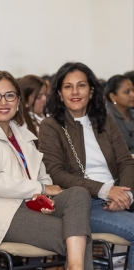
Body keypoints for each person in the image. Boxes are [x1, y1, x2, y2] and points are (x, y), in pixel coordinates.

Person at [0, 70, 93, 270]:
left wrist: (45, 196)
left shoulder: (23, 134)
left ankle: (75, 266)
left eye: (10, 95)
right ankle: (76, 266)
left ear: (18, 100)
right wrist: (41, 189)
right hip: (0, 210)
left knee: (78, 194)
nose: (3, 102)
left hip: (30, 205)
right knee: (77, 235)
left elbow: (43, 176)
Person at [38, 62, 134, 269]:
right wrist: (106, 191)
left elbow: (126, 161)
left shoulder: (105, 120)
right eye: (67, 86)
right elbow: (56, 173)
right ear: (59, 93)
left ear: (91, 91)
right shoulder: (51, 126)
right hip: (85, 204)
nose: (75, 92)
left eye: (81, 85)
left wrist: (126, 195)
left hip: (120, 196)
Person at [105, 75, 134, 153]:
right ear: (113, 97)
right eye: (127, 92)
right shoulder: (106, 117)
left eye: (133, 90)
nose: (132, 95)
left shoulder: (131, 113)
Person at [18, 75, 47, 146]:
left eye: (46, 94)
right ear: (25, 101)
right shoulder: (23, 126)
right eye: (39, 96)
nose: (44, 99)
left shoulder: (48, 117)